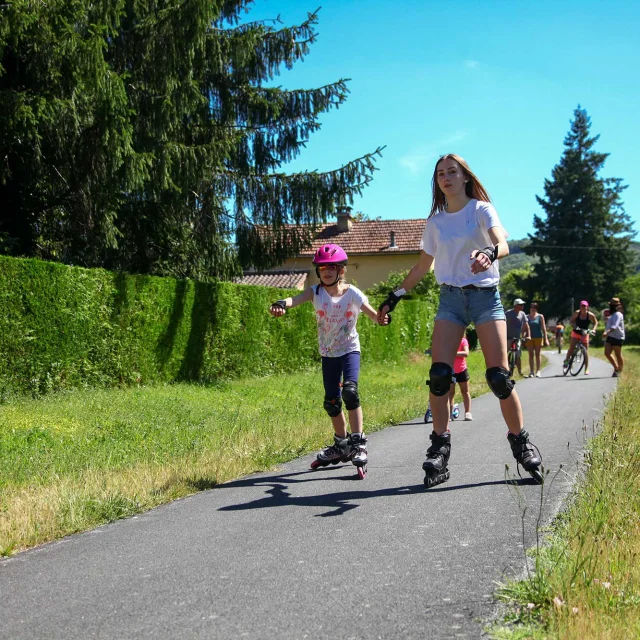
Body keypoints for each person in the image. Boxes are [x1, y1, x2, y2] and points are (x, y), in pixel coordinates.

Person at [377, 153, 543, 487]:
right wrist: (395, 295)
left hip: (485, 297)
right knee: (440, 375)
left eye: (453, 172)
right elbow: (424, 265)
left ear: (465, 176)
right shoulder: (436, 222)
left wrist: (490, 253)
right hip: (450, 299)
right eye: (441, 173)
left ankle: (522, 443)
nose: (446, 177)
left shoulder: (481, 209)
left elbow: (503, 242)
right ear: (437, 181)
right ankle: (439, 449)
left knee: (498, 378)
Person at [269, 243, 390, 479]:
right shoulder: (315, 292)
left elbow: (373, 314)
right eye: (322, 268)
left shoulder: (352, 293)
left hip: (349, 352)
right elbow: (295, 299)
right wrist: (281, 304)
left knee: (351, 393)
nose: (326, 272)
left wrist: (382, 318)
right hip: (328, 354)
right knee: (331, 402)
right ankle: (341, 444)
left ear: (341, 270)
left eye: (331, 268)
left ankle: (358, 442)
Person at [565, 301, 598, 375]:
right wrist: (574, 326)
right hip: (576, 332)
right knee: (572, 347)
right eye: (582, 306)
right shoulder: (577, 313)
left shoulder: (590, 315)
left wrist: (594, 329)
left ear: (587, 307)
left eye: (585, 306)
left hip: (585, 333)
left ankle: (586, 369)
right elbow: (571, 321)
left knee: (585, 352)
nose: (583, 308)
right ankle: (567, 361)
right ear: (580, 307)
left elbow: (596, 322)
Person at [449, 333, 473, 421]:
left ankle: (468, 413)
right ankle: (449, 414)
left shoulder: (463, 341)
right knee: (450, 393)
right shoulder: (449, 341)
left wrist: (453, 353)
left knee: (465, 392)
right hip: (451, 370)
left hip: (462, 370)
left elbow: (466, 353)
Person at [505, 298, 530, 376]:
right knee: (505, 353)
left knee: (518, 355)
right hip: (508, 337)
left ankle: (520, 372)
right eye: (520, 305)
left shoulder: (522, 314)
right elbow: (502, 323)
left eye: (522, 305)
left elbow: (527, 326)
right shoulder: (508, 313)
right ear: (516, 305)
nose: (522, 306)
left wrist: (528, 336)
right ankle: (505, 371)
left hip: (517, 337)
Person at [526, 303, 549, 378]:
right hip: (529, 338)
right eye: (532, 307)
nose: (533, 309)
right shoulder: (527, 317)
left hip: (538, 337)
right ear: (530, 308)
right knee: (531, 355)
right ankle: (531, 371)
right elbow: (524, 327)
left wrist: (546, 339)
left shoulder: (540, 316)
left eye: (535, 308)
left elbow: (543, 328)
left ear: (536, 309)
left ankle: (538, 371)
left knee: (537, 354)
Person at [603, 298, 625, 377]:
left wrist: (606, 332)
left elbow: (615, 326)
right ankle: (616, 368)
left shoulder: (618, 314)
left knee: (618, 354)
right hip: (611, 336)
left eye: (611, 305)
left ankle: (620, 370)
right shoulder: (613, 315)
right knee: (607, 353)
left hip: (617, 337)